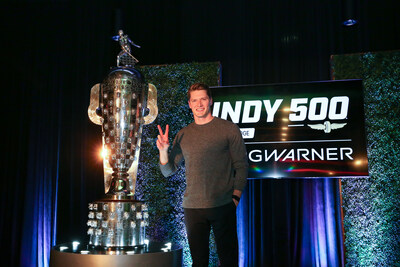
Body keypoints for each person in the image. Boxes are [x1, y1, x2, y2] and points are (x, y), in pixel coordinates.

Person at [156, 83, 248, 267]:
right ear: (189, 104)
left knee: (229, 261)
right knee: (199, 263)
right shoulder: (183, 134)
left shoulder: (228, 129)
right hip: (193, 208)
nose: (199, 104)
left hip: (223, 205)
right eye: (195, 100)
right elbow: (168, 171)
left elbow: (242, 165)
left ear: (210, 101)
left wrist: (235, 198)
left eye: (203, 99)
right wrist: (164, 151)